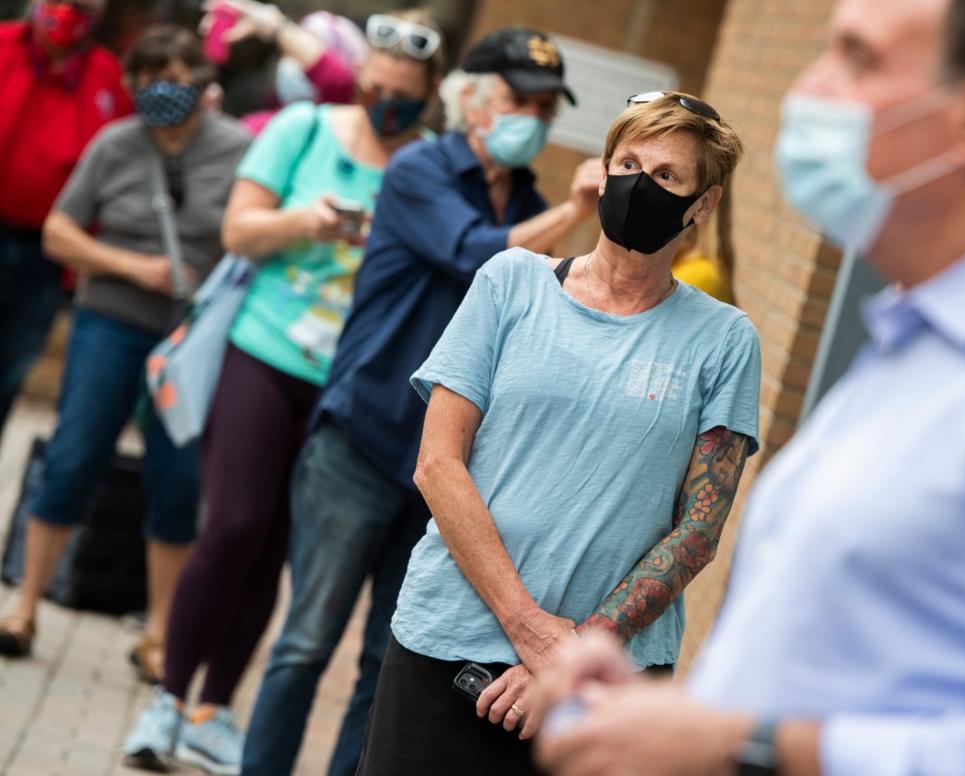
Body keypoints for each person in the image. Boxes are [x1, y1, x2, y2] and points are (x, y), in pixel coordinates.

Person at [532, 1, 965, 775]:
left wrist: (740, 743)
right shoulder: (910, 336)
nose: (811, 88)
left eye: (857, 58)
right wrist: (667, 715)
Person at [355, 87, 761, 775]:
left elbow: (697, 531)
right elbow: (438, 463)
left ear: (703, 204)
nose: (640, 185)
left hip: (601, 688)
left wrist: (572, 657)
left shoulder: (724, 340)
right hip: (446, 642)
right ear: (602, 170)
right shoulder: (511, 283)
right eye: (628, 163)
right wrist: (530, 629)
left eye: (667, 177)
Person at [241, 27, 602, 776]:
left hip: (447, 475)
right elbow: (475, 253)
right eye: (518, 99)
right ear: (471, 99)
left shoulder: (528, 199)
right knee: (307, 644)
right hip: (363, 444)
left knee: (384, 661)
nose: (531, 116)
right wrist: (572, 214)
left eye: (544, 105)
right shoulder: (418, 170)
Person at [119, 11, 442, 776]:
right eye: (376, 86)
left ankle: (210, 711)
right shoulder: (304, 128)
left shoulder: (428, 164)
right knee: (232, 523)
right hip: (263, 351)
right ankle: (166, 698)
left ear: (426, 97)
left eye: (403, 93)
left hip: (351, 384)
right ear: (358, 79)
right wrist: (310, 222)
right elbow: (238, 232)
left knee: (275, 549)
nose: (386, 102)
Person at [0, 23, 248, 669]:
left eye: (180, 79)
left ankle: (160, 633)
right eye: (152, 79)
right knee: (76, 455)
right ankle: (24, 607)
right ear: (133, 84)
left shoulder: (238, 149)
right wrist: (129, 267)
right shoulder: (114, 144)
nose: (167, 91)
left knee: (177, 477)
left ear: (204, 85)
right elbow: (58, 231)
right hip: (110, 318)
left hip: (192, 338)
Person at [0, 0, 131, 446]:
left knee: (11, 369)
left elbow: (114, 174)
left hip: (47, 254)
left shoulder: (107, 77)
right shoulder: (4, 48)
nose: (69, 12)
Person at [199, 0, 368, 135]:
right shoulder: (264, 124)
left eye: (304, 54)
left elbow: (337, 82)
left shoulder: (340, 123)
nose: (296, 65)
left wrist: (276, 26)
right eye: (290, 52)